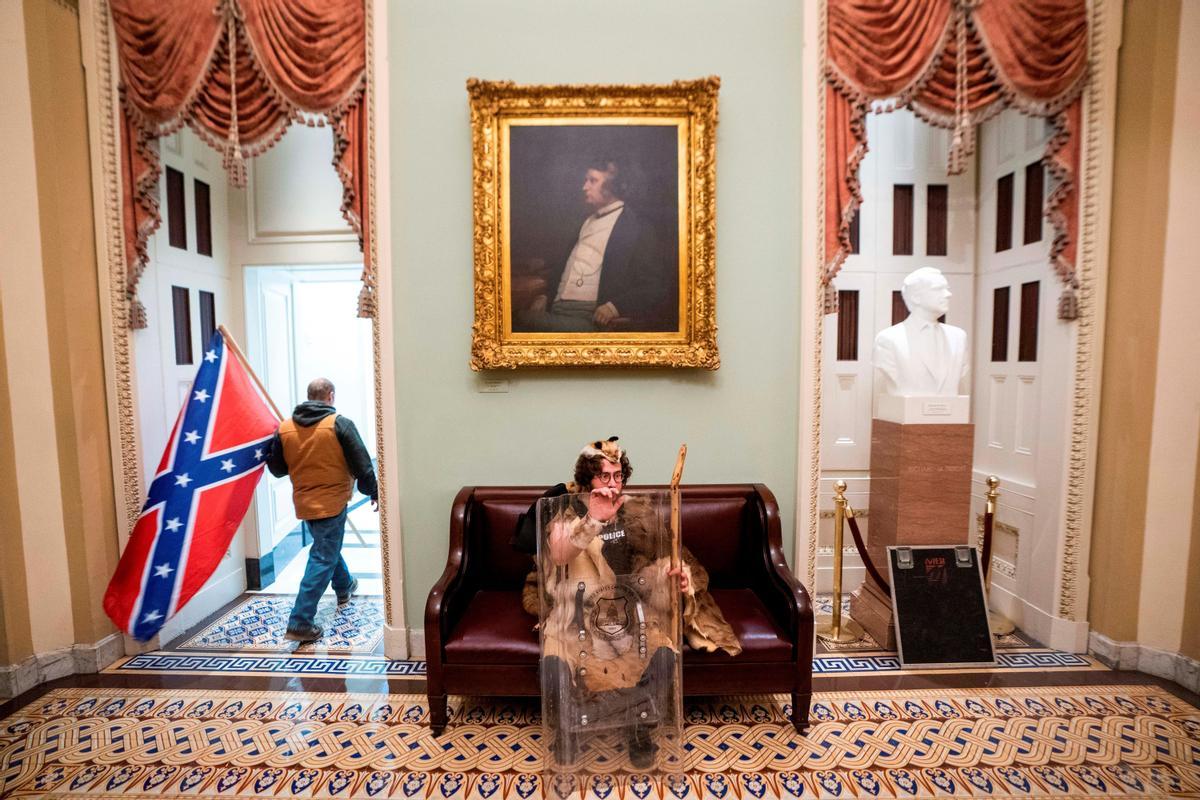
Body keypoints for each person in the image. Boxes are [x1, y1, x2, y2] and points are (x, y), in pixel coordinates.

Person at [514, 438, 740, 768]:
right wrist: (593, 518)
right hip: (576, 614)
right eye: (604, 477)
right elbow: (561, 553)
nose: (612, 484)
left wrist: (671, 578)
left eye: (617, 476)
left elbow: (657, 563)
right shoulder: (565, 509)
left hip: (630, 612)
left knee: (663, 655)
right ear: (586, 479)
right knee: (553, 665)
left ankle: (639, 728)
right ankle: (569, 729)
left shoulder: (638, 512)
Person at [266, 378, 378, 642]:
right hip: (333, 501)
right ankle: (300, 621)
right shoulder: (339, 424)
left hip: (304, 502)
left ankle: (344, 585)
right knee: (322, 557)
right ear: (330, 396)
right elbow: (362, 463)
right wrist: (373, 491)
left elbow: (278, 469)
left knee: (325, 548)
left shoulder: (285, 429)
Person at [518, 158, 674, 332]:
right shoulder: (584, 222)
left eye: (593, 180)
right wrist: (544, 296)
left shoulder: (637, 227)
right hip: (555, 310)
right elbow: (564, 267)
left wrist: (614, 307)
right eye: (586, 180)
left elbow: (655, 286)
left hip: (589, 318)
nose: (584, 187)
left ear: (614, 185)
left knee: (518, 320)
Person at [873, 266, 970, 397]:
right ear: (916, 297)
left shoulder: (958, 337)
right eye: (938, 289)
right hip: (908, 412)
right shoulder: (888, 339)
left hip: (949, 413)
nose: (948, 294)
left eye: (947, 289)